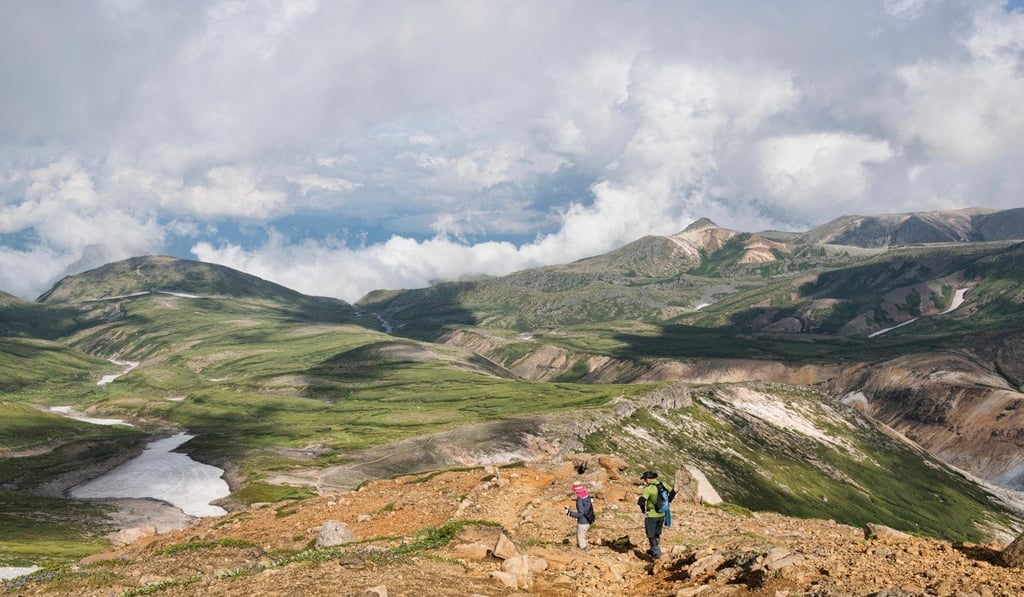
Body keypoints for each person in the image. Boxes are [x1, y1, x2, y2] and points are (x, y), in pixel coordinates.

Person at [637, 470, 670, 559]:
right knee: (657, 534)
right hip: (662, 514)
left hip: (651, 515)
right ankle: (652, 550)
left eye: (645, 479)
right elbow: (673, 492)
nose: (644, 481)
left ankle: (657, 553)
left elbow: (641, 502)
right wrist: (666, 503)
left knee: (651, 535)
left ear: (648, 479)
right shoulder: (663, 484)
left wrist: (643, 510)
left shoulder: (648, 489)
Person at [565, 481, 595, 549]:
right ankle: (581, 547)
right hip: (589, 520)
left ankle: (583, 549)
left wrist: (569, 513)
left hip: (583, 522)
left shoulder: (580, 500)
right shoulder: (587, 497)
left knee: (580, 536)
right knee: (581, 535)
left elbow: (580, 513)